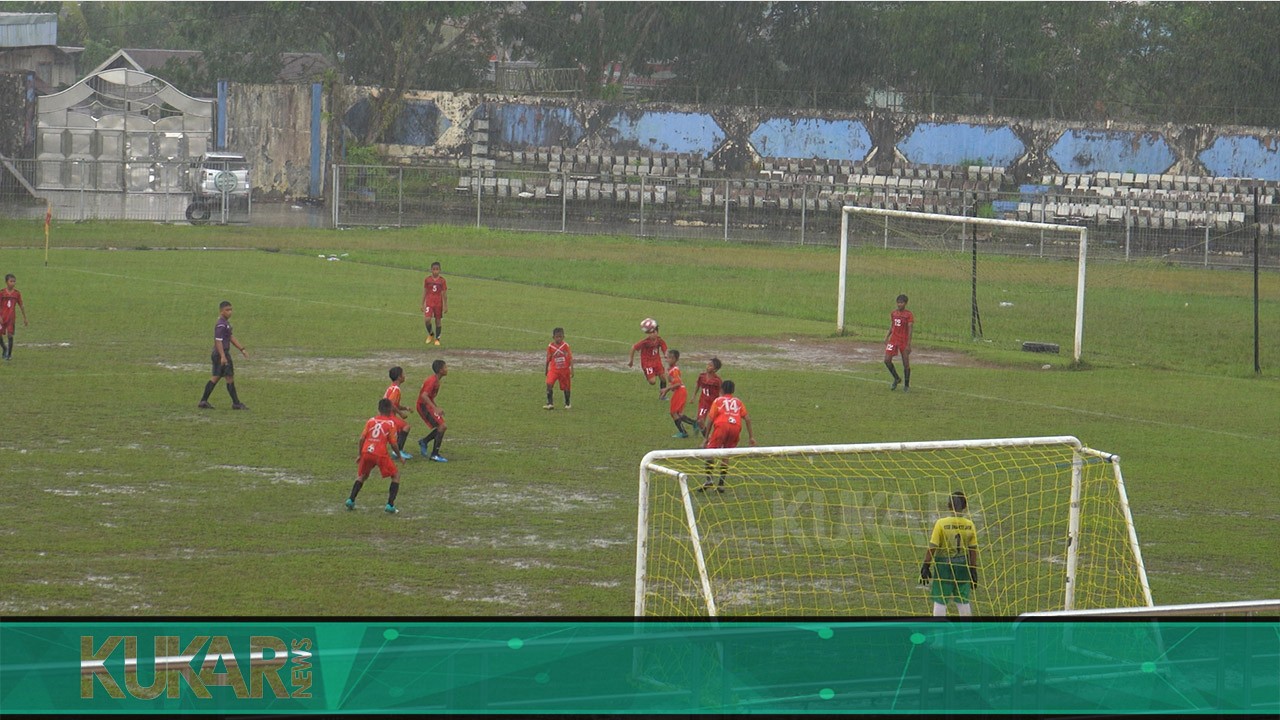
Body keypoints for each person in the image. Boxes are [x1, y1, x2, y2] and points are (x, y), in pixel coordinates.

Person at [920, 490, 980, 616]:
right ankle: (966, 634)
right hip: (962, 565)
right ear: (964, 506)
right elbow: (972, 550)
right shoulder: (970, 525)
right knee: (963, 600)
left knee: (940, 599)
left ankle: (939, 634)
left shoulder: (941, 523)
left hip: (944, 566)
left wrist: (926, 565)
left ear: (948, 505)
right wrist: (973, 569)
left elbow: (933, 546)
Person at [346, 398, 403, 514]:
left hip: (367, 451)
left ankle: (351, 500)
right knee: (396, 475)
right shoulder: (390, 423)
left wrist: (360, 454)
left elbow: (362, 438)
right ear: (390, 409)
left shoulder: (371, 421)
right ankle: (390, 505)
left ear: (378, 409)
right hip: (380, 453)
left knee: (362, 475)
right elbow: (393, 443)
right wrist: (400, 456)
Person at [699, 379, 755, 491]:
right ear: (733, 390)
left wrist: (706, 438)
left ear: (722, 389)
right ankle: (721, 484)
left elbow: (710, 420)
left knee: (709, 453)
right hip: (736, 427)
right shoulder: (738, 401)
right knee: (726, 455)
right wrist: (751, 437)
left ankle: (709, 480)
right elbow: (747, 418)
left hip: (722, 426)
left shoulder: (718, 401)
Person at [198, 300, 249, 409]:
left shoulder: (226, 324)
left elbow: (230, 337)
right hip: (221, 354)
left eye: (231, 310)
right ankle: (236, 403)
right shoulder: (221, 325)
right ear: (221, 311)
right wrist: (223, 356)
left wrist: (242, 349)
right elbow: (218, 341)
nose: (230, 312)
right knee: (228, 377)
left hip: (220, 354)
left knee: (216, 378)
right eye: (227, 310)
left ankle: (203, 401)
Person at [416, 359, 449, 462]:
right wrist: (435, 408)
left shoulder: (436, 380)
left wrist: (436, 407)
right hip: (423, 406)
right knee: (442, 426)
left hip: (427, 405)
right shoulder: (432, 381)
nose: (447, 369)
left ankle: (424, 442)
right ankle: (434, 454)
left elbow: (429, 397)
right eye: (445, 367)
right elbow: (424, 396)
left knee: (442, 427)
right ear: (440, 370)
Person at [658, 349, 697, 438]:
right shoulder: (671, 369)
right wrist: (666, 391)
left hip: (680, 391)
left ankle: (683, 432)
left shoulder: (674, 370)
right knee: (678, 413)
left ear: (674, 359)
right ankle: (694, 423)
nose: (666, 359)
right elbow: (673, 383)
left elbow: (678, 383)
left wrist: (666, 389)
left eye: (668, 358)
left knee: (673, 412)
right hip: (680, 391)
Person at [884, 293, 914, 392]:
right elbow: (892, 326)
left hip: (903, 341)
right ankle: (896, 378)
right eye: (898, 302)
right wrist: (887, 336)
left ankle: (906, 385)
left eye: (901, 303)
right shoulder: (893, 313)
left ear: (905, 303)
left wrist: (909, 344)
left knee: (906, 363)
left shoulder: (908, 315)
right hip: (893, 340)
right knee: (887, 360)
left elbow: (910, 329)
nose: (899, 304)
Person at [384, 366, 414, 461]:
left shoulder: (391, 388)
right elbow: (391, 403)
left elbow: (394, 404)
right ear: (399, 377)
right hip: (388, 416)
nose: (404, 376)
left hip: (386, 414)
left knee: (401, 429)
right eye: (403, 374)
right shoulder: (396, 389)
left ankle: (397, 450)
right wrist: (401, 413)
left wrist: (405, 408)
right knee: (406, 427)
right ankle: (398, 451)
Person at [627, 321, 668, 391]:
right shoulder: (645, 342)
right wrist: (631, 360)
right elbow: (633, 348)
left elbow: (664, 348)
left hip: (657, 362)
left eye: (654, 332)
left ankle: (662, 395)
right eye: (650, 333)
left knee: (663, 378)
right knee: (652, 382)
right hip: (647, 364)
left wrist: (666, 354)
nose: (652, 334)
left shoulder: (659, 340)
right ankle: (649, 374)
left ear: (657, 332)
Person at [544, 327, 573, 410]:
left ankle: (567, 403)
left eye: (560, 337)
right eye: (557, 337)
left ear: (563, 337)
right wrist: (546, 369)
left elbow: (570, 358)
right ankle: (550, 403)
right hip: (554, 370)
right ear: (553, 337)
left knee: (566, 387)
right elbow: (548, 359)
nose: (558, 338)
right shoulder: (550, 346)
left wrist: (572, 370)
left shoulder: (565, 346)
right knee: (549, 383)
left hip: (564, 370)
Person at [0, 273, 27, 361]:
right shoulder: (2, 293)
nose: (13, 283)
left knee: (10, 335)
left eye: (14, 281)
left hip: (11, 318)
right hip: (2, 318)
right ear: (6, 282)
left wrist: (25, 318)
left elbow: (21, 305)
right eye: (11, 281)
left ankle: (9, 354)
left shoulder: (17, 294)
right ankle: (4, 348)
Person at [693, 357, 723, 437]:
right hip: (703, 402)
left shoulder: (717, 380)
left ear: (715, 369)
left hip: (713, 403)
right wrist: (694, 396)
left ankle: (710, 437)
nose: (708, 366)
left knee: (716, 422)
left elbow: (721, 391)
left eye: (710, 365)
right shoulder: (702, 376)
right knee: (700, 421)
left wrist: (721, 402)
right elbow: (698, 385)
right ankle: (707, 438)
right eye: (708, 364)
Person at [422, 261, 448, 346]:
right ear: (431, 270)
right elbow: (425, 291)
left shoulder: (442, 281)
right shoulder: (427, 280)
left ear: (440, 270)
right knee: (427, 319)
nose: (435, 271)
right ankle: (431, 334)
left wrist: (445, 305)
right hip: (429, 302)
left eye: (437, 269)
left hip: (438, 303)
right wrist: (422, 303)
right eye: (434, 269)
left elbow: (444, 294)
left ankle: (437, 339)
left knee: (438, 321)